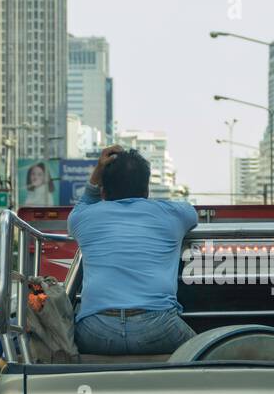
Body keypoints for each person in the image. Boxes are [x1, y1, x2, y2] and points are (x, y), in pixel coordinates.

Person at [69, 145, 198, 356]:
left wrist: (97, 173)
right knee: (206, 354)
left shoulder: (83, 218)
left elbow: (83, 203)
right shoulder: (172, 214)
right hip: (159, 328)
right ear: (146, 190)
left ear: (103, 191)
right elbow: (192, 213)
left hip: (96, 331)